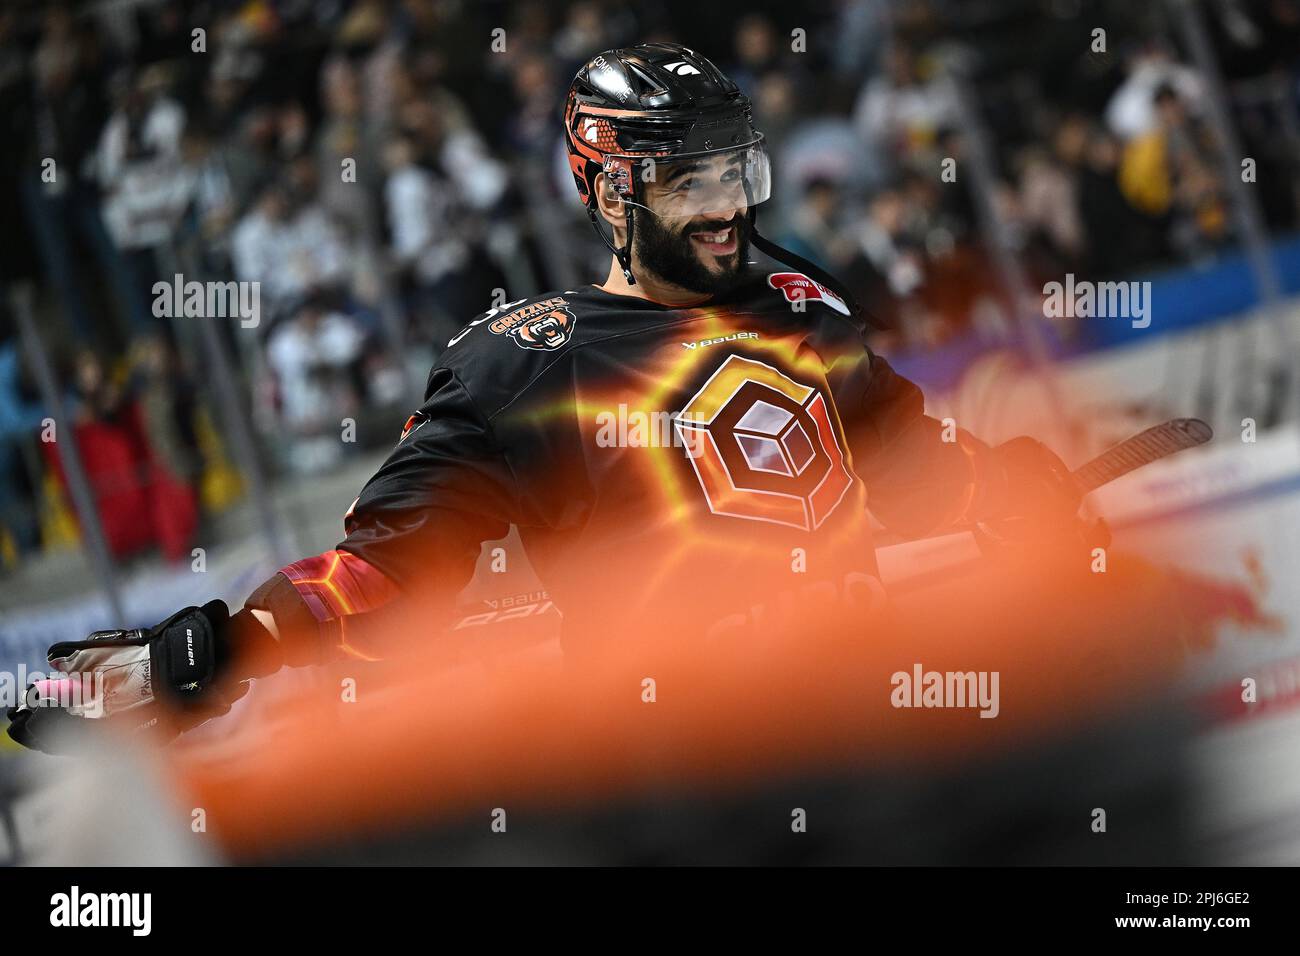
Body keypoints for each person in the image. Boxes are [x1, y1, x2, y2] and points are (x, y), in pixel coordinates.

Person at [7, 43, 1090, 753]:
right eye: (686, 179)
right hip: (688, 775)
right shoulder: (523, 361)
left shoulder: (800, 301)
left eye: (731, 172)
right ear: (609, 188)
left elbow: (906, 461)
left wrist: (1012, 485)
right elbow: (387, 568)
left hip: (877, 736)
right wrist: (230, 641)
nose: (723, 208)